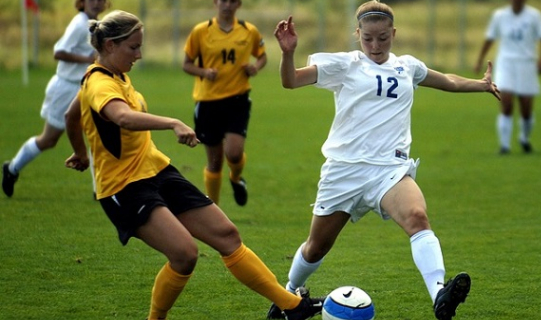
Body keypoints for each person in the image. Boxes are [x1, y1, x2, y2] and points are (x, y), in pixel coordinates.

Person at [64, 10, 323, 320]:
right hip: (124, 187)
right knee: (184, 255)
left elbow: (71, 115)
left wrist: (80, 152)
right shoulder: (98, 82)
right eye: (133, 47)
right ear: (109, 45)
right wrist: (172, 122)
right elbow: (121, 117)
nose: (140, 54)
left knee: (227, 235)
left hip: (156, 170)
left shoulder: (114, 75)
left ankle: (291, 307)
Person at [269, 1, 501, 320]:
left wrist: (482, 85)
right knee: (316, 247)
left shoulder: (408, 66)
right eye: (368, 39)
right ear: (358, 34)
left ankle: (439, 294)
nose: (375, 46)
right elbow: (290, 80)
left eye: (382, 38)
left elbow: (446, 80)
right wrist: (287, 52)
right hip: (344, 171)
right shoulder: (345, 64)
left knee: (417, 216)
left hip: (389, 171)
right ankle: (285, 296)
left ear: (393, 33)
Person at [2, 0, 109, 198]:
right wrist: (88, 60)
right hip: (65, 88)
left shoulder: (97, 25)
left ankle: (99, 191)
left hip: (86, 89)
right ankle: (12, 168)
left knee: (97, 136)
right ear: (82, 3)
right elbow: (58, 52)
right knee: (49, 139)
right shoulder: (79, 24)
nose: (96, 3)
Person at [182, 0, 267, 206]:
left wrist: (255, 67)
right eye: (223, 1)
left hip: (237, 100)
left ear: (238, 4)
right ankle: (214, 209)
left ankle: (236, 178)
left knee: (234, 153)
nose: (227, 5)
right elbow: (186, 64)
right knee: (215, 161)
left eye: (232, 1)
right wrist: (204, 72)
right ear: (215, 3)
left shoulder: (248, 31)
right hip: (208, 102)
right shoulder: (201, 31)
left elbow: (262, 57)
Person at [474, 0, 541, 154]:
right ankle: (505, 146)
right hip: (506, 64)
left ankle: (524, 138)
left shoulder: (534, 16)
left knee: (526, 108)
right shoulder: (500, 15)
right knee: (506, 103)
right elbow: (490, 38)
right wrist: (480, 59)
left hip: (527, 64)